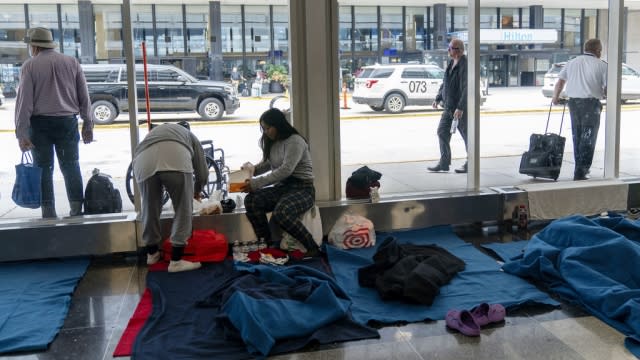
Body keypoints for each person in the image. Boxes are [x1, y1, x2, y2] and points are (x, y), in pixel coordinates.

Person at [14, 27, 93, 218]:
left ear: (34, 46)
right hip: (67, 122)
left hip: (39, 125)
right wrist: (88, 123)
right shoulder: (72, 62)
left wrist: (22, 133)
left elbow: (24, 102)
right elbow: (84, 96)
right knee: (71, 165)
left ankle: (48, 211)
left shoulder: (30, 66)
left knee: (43, 169)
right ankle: (76, 209)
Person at [240, 108, 320, 256]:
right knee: (251, 200)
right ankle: (266, 244)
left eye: (268, 128)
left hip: (303, 189)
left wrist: (256, 183)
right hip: (283, 187)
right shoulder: (273, 142)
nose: (265, 132)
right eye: (263, 129)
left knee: (282, 212)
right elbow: (268, 164)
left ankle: (312, 247)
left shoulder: (295, 141)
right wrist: (249, 170)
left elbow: (285, 170)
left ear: (278, 125)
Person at [132, 121, 209, 272]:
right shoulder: (190, 135)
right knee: (183, 207)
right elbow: (202, 172)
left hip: (142, 161)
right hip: (176, 159)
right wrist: (197, 190)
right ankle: (176, 260)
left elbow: (138, 153)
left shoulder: (154, 134)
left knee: (150, 207)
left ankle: (152, 253)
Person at [552, 38, 607, 181]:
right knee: (588, 138)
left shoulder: (572, 62)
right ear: (598, 50)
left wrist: (555, 97)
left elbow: (560, 82)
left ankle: (579, 168)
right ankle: (582, 171)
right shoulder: (601, 65)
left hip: (574, 104)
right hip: (591, 104)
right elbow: (607, 88)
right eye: (600, 50)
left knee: (577, 136)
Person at [428, 38, 469, 174]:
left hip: (459, 109)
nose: (448, 50)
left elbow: (466, 87)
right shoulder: (451, 63)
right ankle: (444, 162)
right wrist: (438, 97)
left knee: (467, 136)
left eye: (450, 48)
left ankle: (471, 162)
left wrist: (461, 107)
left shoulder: (464, 64)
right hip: (448, 107)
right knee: (442, 132)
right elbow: (445, 83)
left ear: (458, 50)